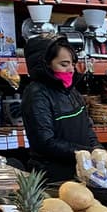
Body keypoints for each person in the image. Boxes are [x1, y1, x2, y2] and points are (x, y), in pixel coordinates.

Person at [21, 35, 100, 181]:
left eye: (73, 64)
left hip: (80, 171)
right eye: (64, 64)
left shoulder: (72, 91)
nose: (71, 69)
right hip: (53, 177)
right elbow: (45, 142)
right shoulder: (37, 94)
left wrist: (97, 149)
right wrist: (86, 152)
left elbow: (87, 128)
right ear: (46, 65)